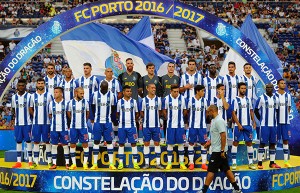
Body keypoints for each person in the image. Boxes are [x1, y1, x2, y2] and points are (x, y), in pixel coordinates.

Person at [197, 105, 242, 193]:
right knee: (227, 170)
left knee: (211, 170)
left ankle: (203, 191)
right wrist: (209, 143)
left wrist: (222, 150)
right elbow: (216, 135)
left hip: (218, 151)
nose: (208, 114)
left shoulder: (219, 121)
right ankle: (237, 189)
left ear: (213, 111)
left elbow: (223, 136)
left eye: (209, 112)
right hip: (219, 150)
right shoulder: (214, 120)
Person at [90, 81, 117, 170]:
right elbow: (92, 107)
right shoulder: (94, 94)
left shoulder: (112, 95)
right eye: (103, 87)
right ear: (100, 87)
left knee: (109, 142)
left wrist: (112, 119)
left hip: (107, 122)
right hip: (97, 122)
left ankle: (111, 164)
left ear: (108, 87)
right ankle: (94, 164)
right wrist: (94, 118)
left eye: (106, 87)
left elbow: (113, 108)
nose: (104, 89)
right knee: (96, 142)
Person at [255, 83, 281, 169]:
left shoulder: (276, 99)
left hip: (273, 125)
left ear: (273, 88)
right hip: (264, 125)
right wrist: (261, 120)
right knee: (262, 143)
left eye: (270, 87)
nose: (269, 89)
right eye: (267, 87)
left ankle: (272, 163)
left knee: (273, 143)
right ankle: (259, 163)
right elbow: (256, 110)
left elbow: (277, 111)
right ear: (265, 88)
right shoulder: (261, 98)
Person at [231, 82, 256, 170]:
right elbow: (233, 113)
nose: (243, 90)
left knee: (249, 143)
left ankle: (251, 162)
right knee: (235, 143)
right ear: (238, 89)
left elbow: (251, 111)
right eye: (242, 88)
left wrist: (254, 122)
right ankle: (234, 163)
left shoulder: (249, 99)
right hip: (238, 126)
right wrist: (238, 124)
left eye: (244, 88)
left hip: (248, 126)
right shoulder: (235, 100)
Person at [29, 78, 53, 169]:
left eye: (42, 83)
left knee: (47, 142)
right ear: (36, 85)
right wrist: (35, 115)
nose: (40, 85)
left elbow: (52, 108)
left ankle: (50, 161)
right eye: (38, 83)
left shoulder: (49, 95)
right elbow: (30, 108)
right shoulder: (32, 96)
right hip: (36, 123)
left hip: (46, 123)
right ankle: (35, 162)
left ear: (44, 84)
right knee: (36, 142)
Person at [163, 84, 188, 170]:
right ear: (171, 91)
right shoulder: (166, 99)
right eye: (174, 92)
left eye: (177, 91)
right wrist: (168, 118)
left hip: (180, 126)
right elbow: (164, 110)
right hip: (170, 126)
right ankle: (169, 163)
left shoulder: (183, 99)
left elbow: (185, 111)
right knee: (170, 145)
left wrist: (180, 118)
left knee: (181, 144)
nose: (176, 93)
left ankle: (182, 163)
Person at [140, 84, 164, 170]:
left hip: (156, 126)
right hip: (146, 126)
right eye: (152, 88)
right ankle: (147, 163)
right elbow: (141, 112)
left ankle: (158, 163)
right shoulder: (143, 100)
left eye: (155, 88)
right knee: (146, 143)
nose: (154, 89)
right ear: (147, 88)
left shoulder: (158, 100)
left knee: (157, 143)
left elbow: (160, 111)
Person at [116, 85, 140, 170]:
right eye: (127, 91)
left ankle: (135, 163)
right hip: (122, 127)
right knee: (121, 144)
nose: (129, 93)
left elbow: (137, 113)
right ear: (123, 92)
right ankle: (121, 163)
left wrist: (133, 120)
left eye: (130, 91)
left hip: (132, 127)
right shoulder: (119, 102)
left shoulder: (134, 101)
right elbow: (117, 113)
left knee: (133, 144)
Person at [11, 79, 33, 168]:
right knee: (18, 141)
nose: (21, 87)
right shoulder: (13, 97)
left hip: (27, 123)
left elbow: (32, 109)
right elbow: (13, 109)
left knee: (28, 141)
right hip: (18, 124)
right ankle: (18, 161)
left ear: (25, 86)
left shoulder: (29, 96)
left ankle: (30, 161)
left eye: (22, 85)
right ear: (17, 86)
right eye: (19, 85)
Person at [67, 87, 90, 170]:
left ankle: (85, 164)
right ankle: (74, 164)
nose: (82, 95)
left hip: (83, 127)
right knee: (72, 145)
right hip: (73, 127)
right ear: (76, 93)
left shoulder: (86, 102)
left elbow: (87, 113)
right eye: (81, 93)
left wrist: (84, 121)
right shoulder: (70, 102)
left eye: (83, 93)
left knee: (85, 144)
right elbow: (69, 113)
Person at [48, 87, 70, 170]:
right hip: (54, 128)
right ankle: (54, 163)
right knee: (54, 146)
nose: (55, 94)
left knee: (65, 146)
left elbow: (68, 115)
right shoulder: (51, 104)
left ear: (61, 93)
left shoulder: (66, 103)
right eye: (54, 92)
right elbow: (50, 114)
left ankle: (67, 163)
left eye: (57, 92)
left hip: (63, 128)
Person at [187, 85, 208, 170]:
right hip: (192, 126)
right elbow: (187, 112)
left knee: (203, 144)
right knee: (191, 143)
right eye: (202, 91)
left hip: (202, 126)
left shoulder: (205, 100)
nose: (203, 92)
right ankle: (191, 163)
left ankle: (204, 163)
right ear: (197, 91)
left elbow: (206, 112)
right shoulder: (190, 100)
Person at [275, 79, 292, 168]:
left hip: (285, 122)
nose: (283, 84)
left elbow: (288, 108)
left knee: (285, 140)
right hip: (276, 123)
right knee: (274, 141)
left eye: (284, 83)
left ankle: (286, 161)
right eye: (281, 83)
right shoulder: (274, 96)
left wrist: (285, 117)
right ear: (278, 84)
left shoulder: (288, 96)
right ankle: (272, 161)